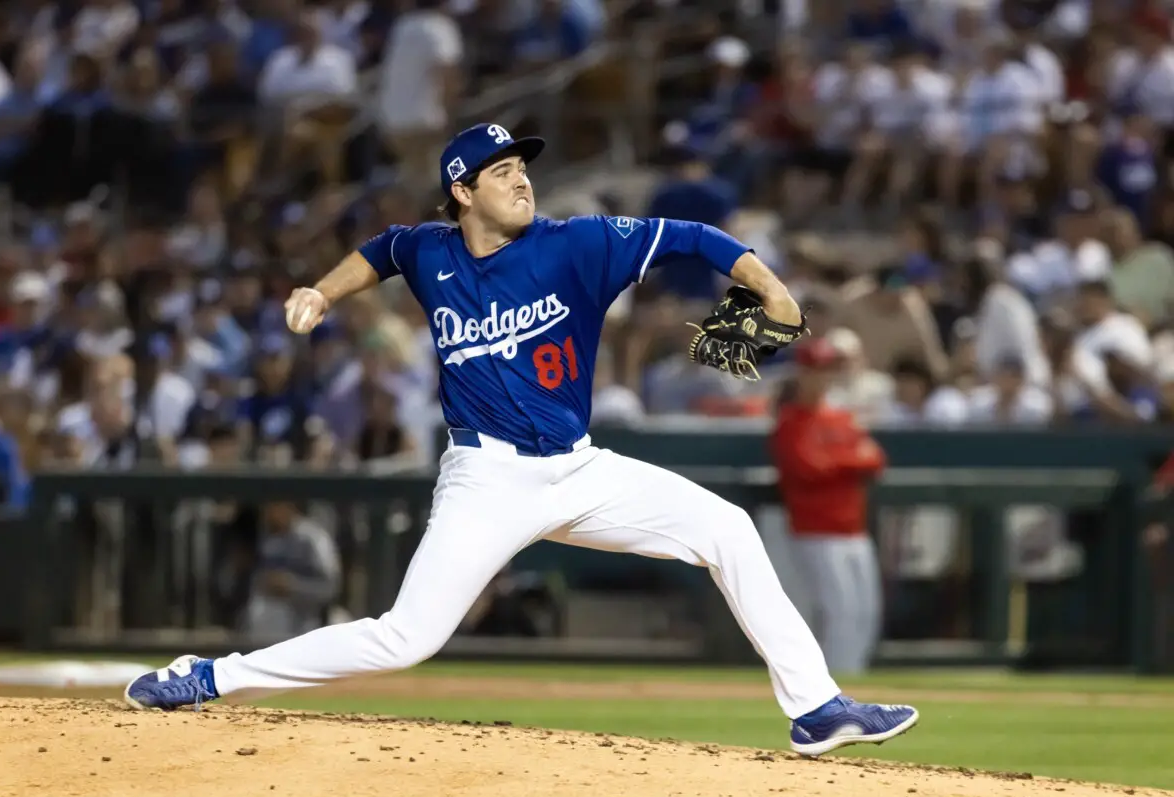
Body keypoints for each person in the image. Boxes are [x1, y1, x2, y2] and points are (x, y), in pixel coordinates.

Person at [124, 123, 919, 756]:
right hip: (486, 481)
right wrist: (321, 293)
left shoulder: (576, 243)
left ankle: (815, 709)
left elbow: (690, 237)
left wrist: (769, 286)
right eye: (500, 170)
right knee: (405, 639)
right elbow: (378, 253)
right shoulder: (428, 250)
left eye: (522, 165)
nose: (520, 177)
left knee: (728, 529)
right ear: (461, 191)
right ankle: (211, 676)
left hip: (579, 469)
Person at [770, 339, 885, 674]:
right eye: (815, 370)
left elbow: (875, 459)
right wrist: (849, 462)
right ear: (802, 373)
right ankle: (835, 685)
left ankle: (854, 678)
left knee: (866, 611)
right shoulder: (791, 421)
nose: (821, 378)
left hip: (853, 529)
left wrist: (836, 462)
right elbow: (808, 468)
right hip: (815, 531)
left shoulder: (841, 417)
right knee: (840, 611)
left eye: (826, 371)